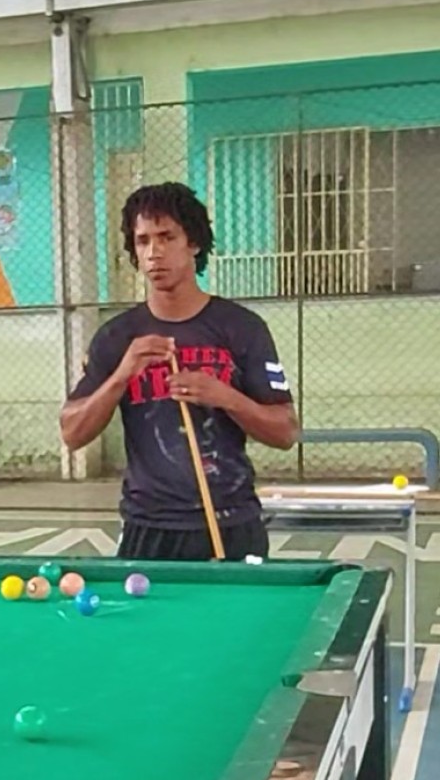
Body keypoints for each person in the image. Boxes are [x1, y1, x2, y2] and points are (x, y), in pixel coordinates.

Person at [60, 181, 299, 561]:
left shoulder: (242, 328)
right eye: (142, 241)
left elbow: (286, 432)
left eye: (167, 237)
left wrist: (226, 397)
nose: (154, 253)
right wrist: (121, 376)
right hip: (148, 526)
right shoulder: (117, 337)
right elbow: (72, 433)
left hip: (230, 520)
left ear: (194, 243)